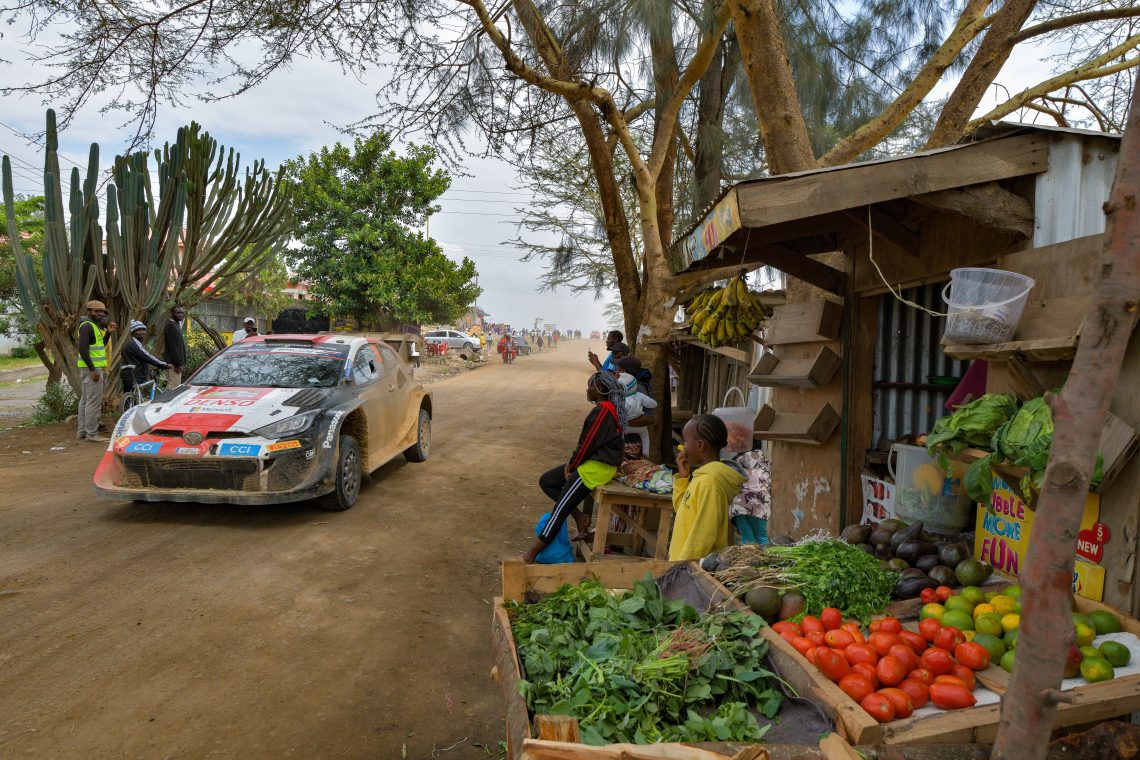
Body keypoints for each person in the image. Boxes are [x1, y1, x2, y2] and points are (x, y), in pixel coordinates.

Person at [523, 372, 626, 563]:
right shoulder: (607, 409)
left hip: (596, 468)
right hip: (593, 463)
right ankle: (579, 517)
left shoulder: (603, 410)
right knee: (548, 481)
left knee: (559, 511)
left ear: (600, 389)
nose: (588, 389)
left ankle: (529, 556)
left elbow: (587, 443)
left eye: (590, 386)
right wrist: (573, 463)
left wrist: (572, 465)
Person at [669, 414, 746, 561]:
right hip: (684, 564)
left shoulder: (709, 483)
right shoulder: (701, 477)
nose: (683, 448)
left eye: (685, 442)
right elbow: (682, 510)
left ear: (700, 445)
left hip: (692, 567)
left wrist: (683, 565)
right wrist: (683, 478)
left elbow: (704, 535)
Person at [76, 300, 115, 442]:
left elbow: (99, 346)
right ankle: (91, 434)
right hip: (92, 369)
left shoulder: (93, 325)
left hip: (91, 368)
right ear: (89, 311)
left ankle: (82, 432)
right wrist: (93, 370)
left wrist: (108, 333)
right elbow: (82, 349)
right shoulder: (87, 326)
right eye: (96, 311)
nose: (100, 314)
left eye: (102, 312)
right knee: (92, 402)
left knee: (85, 401)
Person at [730, 450, 772, 545]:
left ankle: (748, 553)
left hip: (738, 505)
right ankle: (765, 555)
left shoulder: (735, 465)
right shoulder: (765, 467)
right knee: (762, 538)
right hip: (759, 505)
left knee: (747, 540)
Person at [122, 320, 170, 389]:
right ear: (133, 332)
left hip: (129, 376)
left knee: (130, 395)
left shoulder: (130, 343)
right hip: (135, 376)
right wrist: (164, 364)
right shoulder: (134, 343)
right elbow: (147, 356)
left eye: (143, 330)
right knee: (136, 394)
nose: (142, 332)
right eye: (139, 330)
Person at [619, 371, 657, 453]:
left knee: (618, 435)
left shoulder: (619, 398)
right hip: (640, 428)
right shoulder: (640, 395)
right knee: (645, 435)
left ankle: (619, 451)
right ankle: (646, 453)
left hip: (624, 427)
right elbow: (653, 404)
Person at [162, 304, 187, 386]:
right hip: (173, 364)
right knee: (173, 387)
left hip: (176, 363)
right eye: (178, 313)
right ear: (172, 313)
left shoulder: (176, 325)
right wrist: (177, 364)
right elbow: (173, 346)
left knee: (175, 386)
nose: (180, 315)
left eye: (182, 313)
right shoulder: (171, 326)